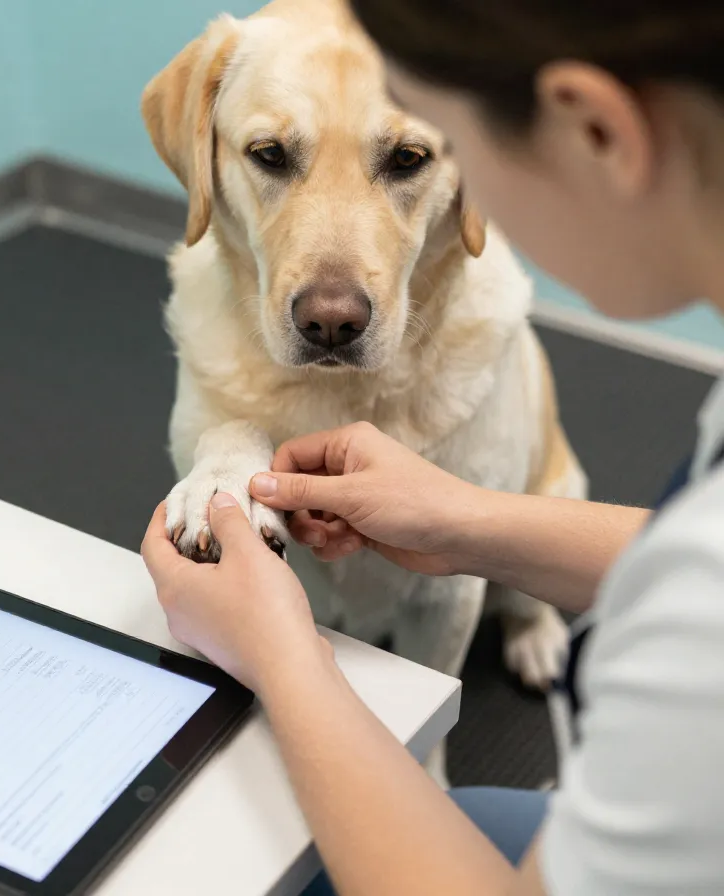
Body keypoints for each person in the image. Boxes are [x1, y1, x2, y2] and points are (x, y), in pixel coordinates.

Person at [139, 2, 724, 893]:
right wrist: (474, 523)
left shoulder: (696, 638)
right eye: (272, 156)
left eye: (415, 155)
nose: (334, 296)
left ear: (596, 128)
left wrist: (283, 661)